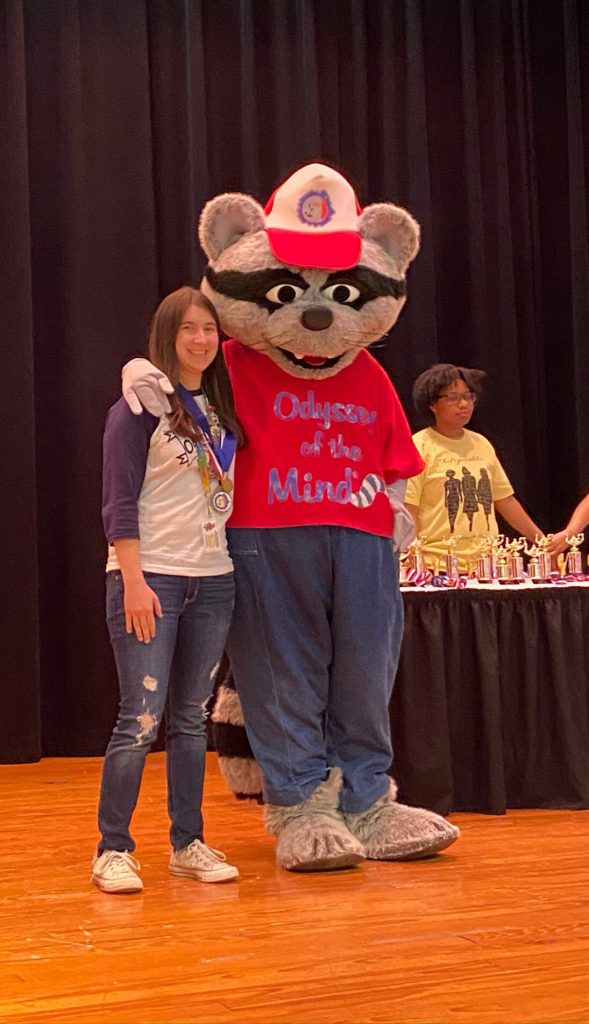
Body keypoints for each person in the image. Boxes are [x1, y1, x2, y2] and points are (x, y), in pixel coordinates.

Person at [93, 286, 244, 894]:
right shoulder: (139, 404)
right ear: (166, 334)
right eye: (188, 329)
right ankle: (113, 848)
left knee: (189, 718)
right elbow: (118, 500)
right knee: (140, 718)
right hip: (148, 576)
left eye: (209, 329)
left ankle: (188, 842)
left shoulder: (222, 409)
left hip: (214, 579)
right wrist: (133, 581)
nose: (201, 339)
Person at [405, 364, 543, 571]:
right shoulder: (418, 446)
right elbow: (410, 509)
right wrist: (414, 559)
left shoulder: (481, 443)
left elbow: (504, 499)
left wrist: (541, 541)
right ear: (433, 404)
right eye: (453, 398)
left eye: (469, 396)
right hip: (438, 567)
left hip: (488, 565)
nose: (464, 404)